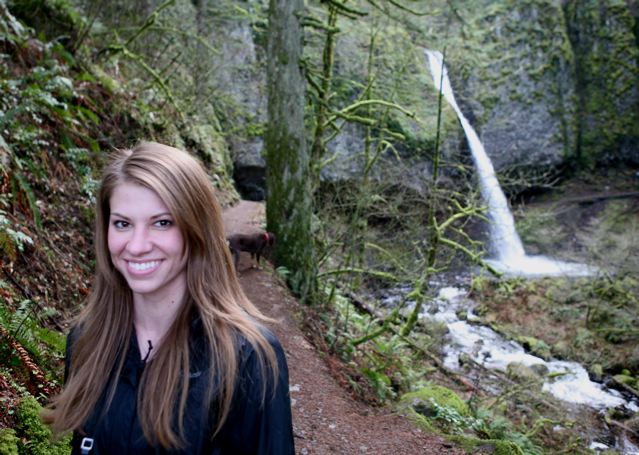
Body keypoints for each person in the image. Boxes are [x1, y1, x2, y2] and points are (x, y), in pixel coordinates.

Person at [44, 142, 295, 454]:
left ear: (197, 229)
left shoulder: (247, 358)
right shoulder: (88, 341)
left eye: (162, 223)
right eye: (122, 223)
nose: (136, 246)